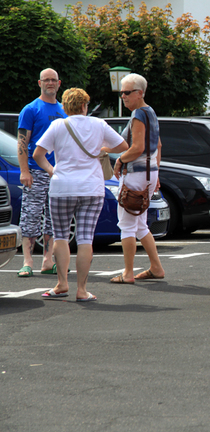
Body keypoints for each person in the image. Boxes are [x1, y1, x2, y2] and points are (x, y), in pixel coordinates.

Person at [33, 88, 128, 301]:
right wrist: (100, 149)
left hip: (62, 188)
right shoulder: (98, 124)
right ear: (85, 106)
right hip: (91, 189)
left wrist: (52, 170)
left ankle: (61, 284)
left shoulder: (58, 125)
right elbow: (123, 145)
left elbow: (38, 154)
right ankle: (82, 290)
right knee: (85, 238)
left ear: (65, 107)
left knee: (61, 236)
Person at [110, 73, 165, 284]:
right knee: (140, 223)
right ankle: (156, 267)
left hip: (136, 174)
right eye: (121, 92)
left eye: (126, 92)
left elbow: (137, 148)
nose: (123, 96)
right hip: (150, 173)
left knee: (126, 224)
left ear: (139, 93)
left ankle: (128, 273)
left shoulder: (138, 115)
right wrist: (156, 172)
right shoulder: (150, 112)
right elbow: (157, 146)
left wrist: (119, 160)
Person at [16, 68, 66, 278]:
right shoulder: (30, 109)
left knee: (54, 218)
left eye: (53, 80)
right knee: (30, 216)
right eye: (46, 80)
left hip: (58, 173)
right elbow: (22, 142)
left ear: (59, 83)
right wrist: (24, 171)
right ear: (39, 83)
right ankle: (27, 261)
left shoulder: (65, 110)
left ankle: (48, 260)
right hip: (36, 172)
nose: (50, 83)